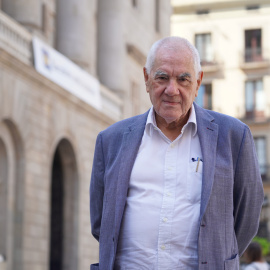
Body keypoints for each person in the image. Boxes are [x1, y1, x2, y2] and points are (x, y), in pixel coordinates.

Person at [90, 36, 264, 270]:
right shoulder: (110, 140)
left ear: (198, 82)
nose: (172, 90)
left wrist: (217, 254)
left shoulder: (234, 137)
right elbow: (101, 222)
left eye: (183, 79)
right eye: (162, 77)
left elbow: (247, 220)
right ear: (146, 78)